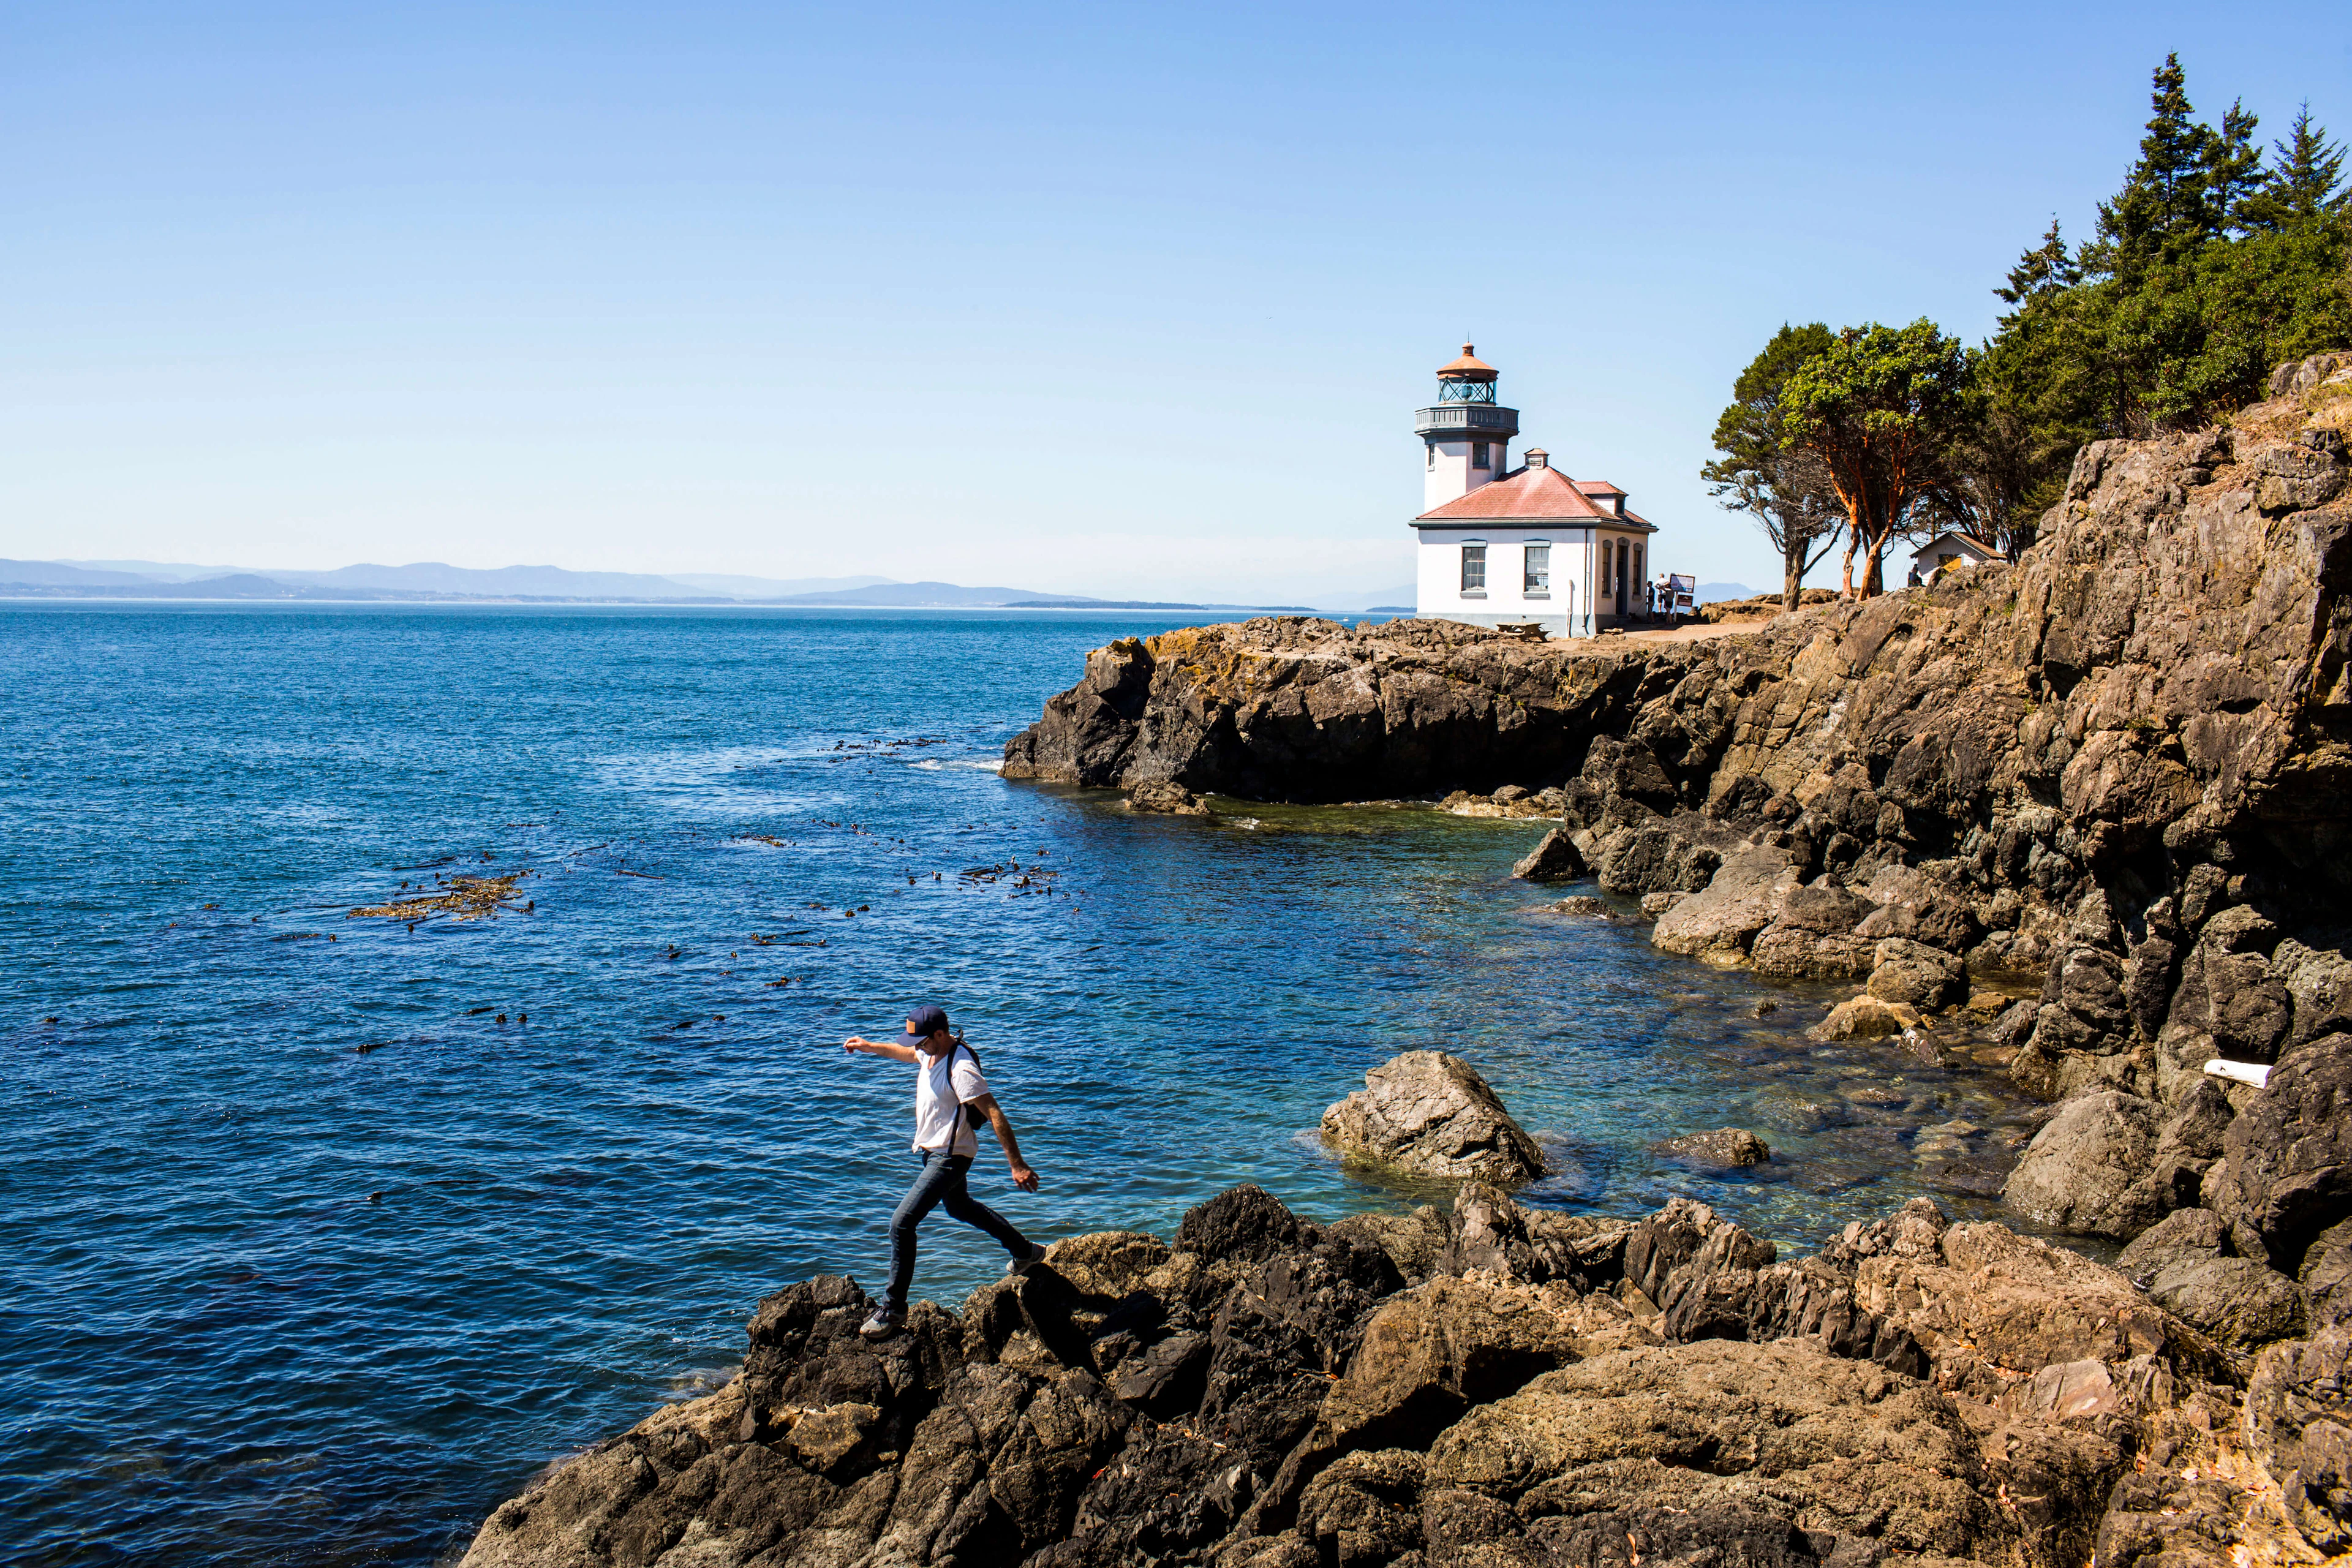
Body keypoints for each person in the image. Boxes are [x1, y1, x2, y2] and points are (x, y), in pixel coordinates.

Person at [843, 1003, 1045, 1338]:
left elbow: (994, 1112)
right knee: (960, 1207)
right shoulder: (930, 1051)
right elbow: (907, 1054)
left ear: (940, 1034)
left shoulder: (961, 1067)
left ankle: (893, 1310)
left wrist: (1017, 1163)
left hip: (950, 1158)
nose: (916, 1047)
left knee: (901, 1223)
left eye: (921, 1040)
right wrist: (869, 1047)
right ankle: (1026, 1252)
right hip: (933, 1151)